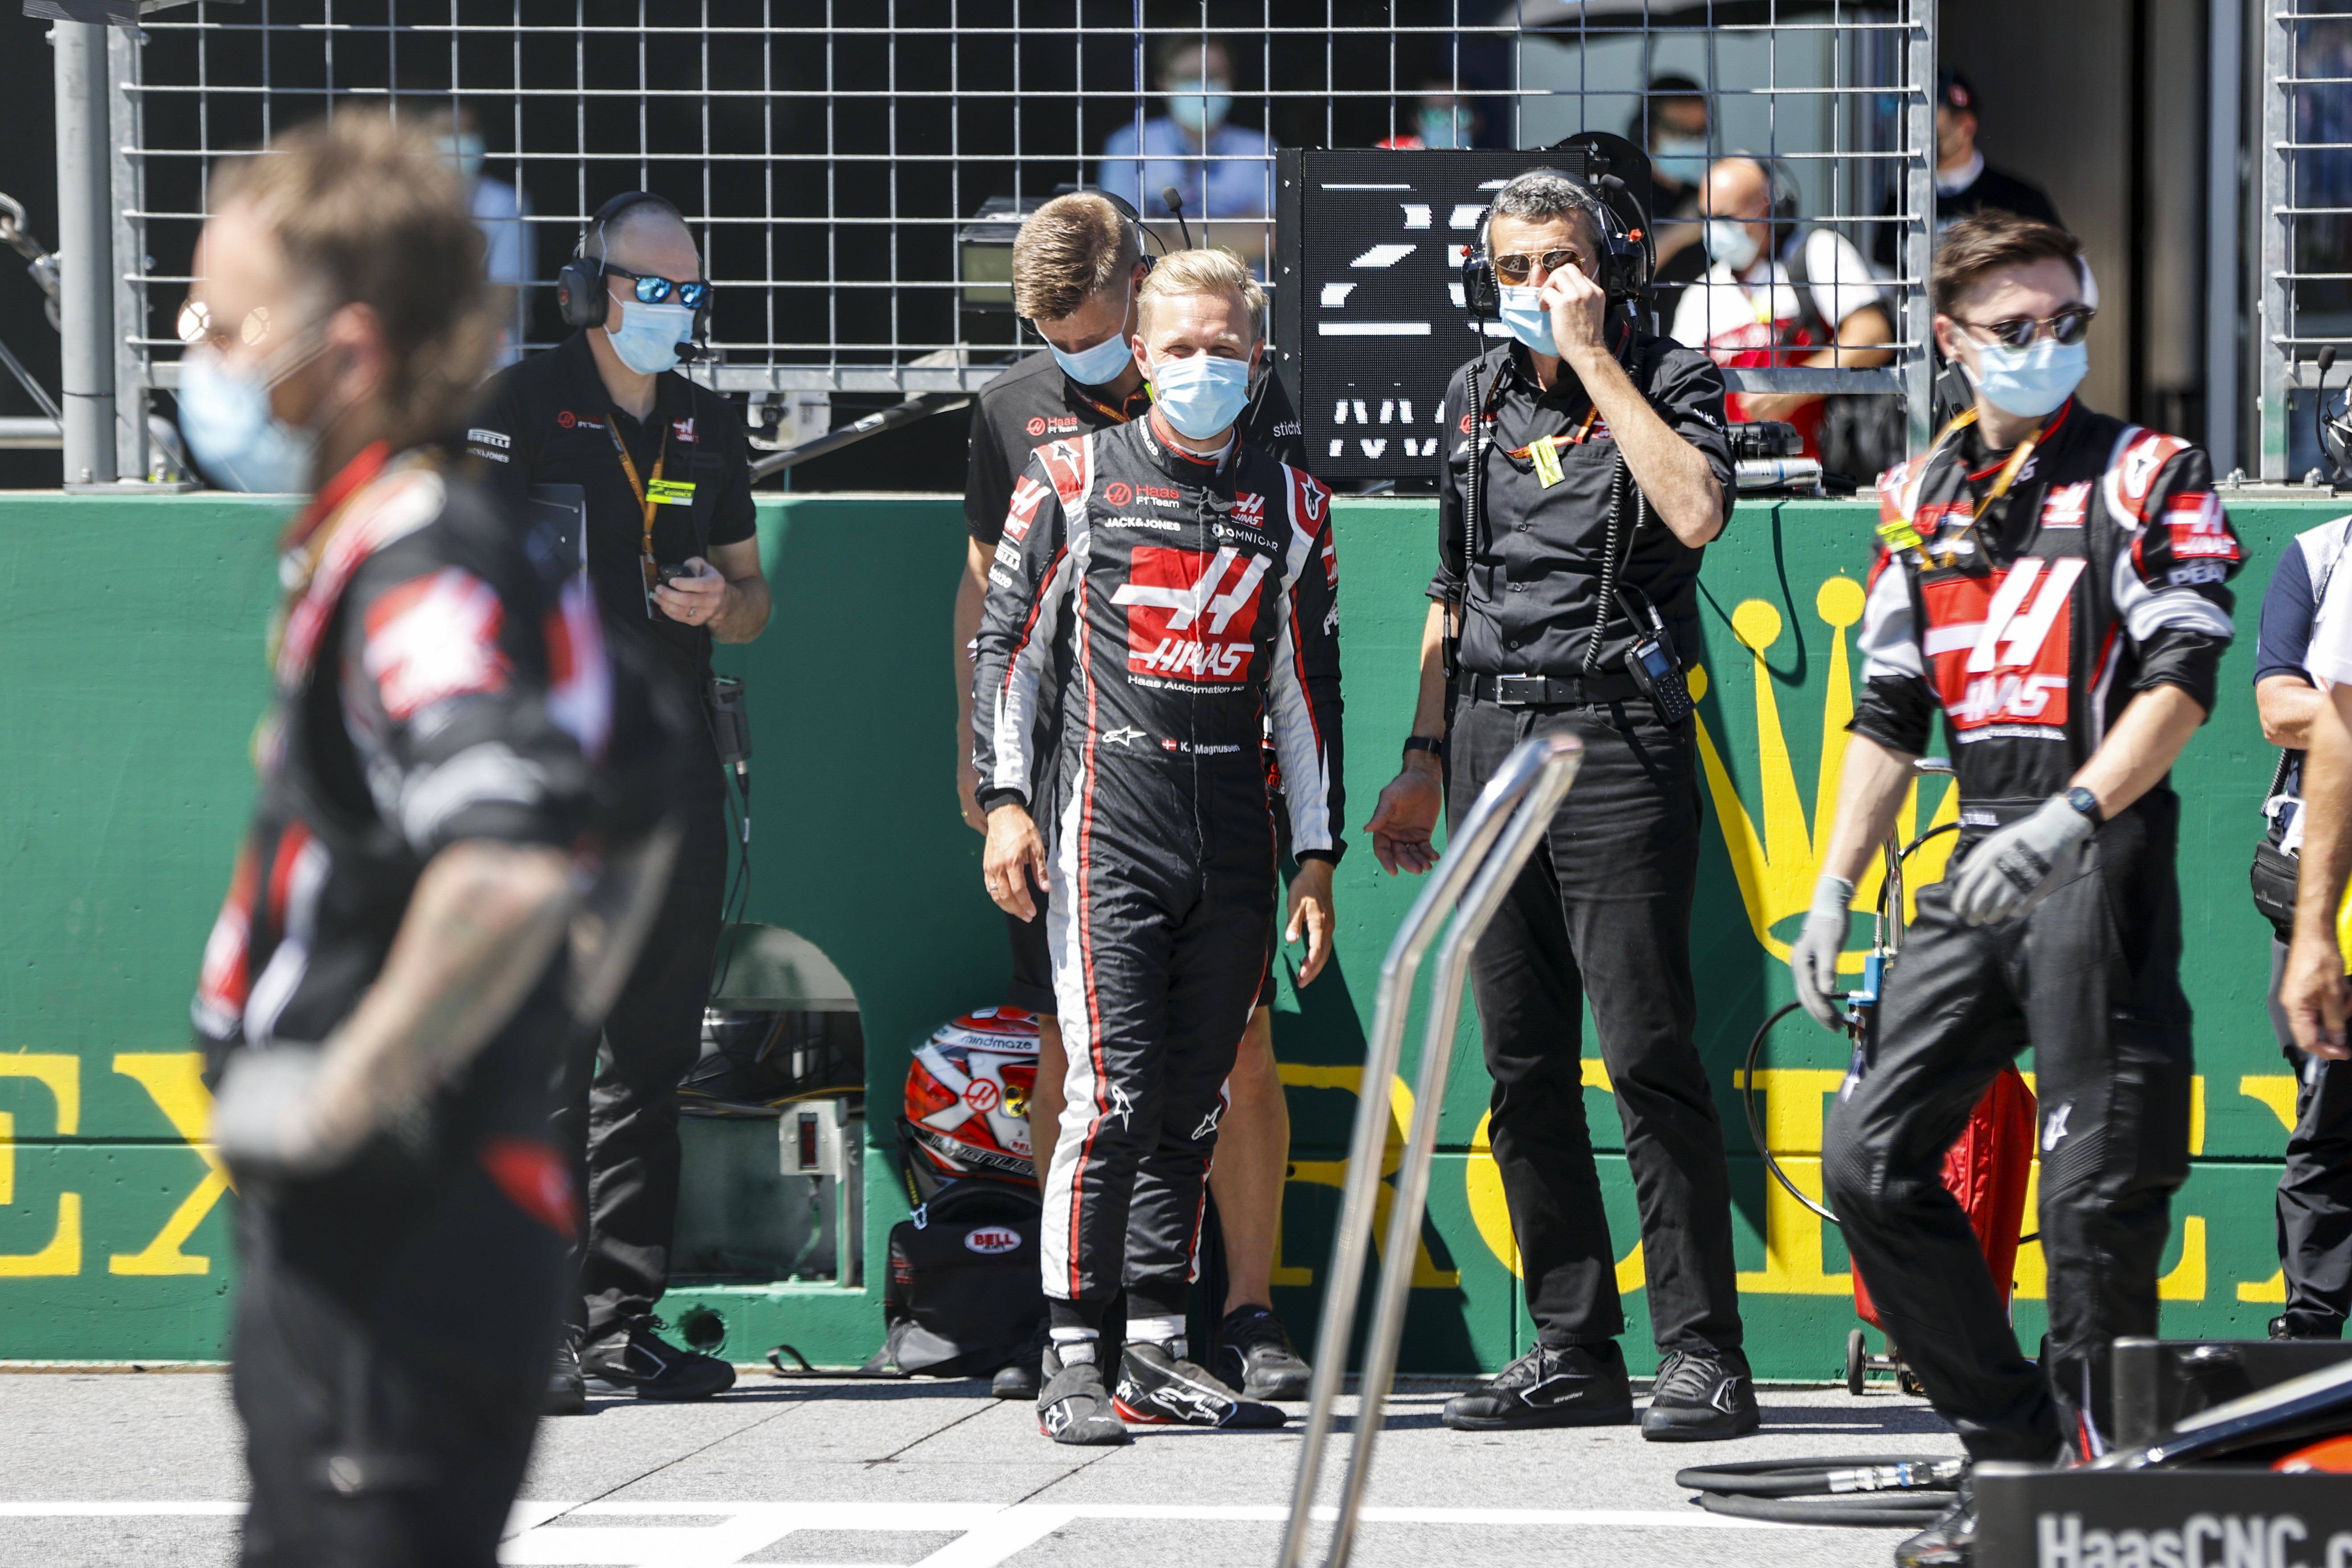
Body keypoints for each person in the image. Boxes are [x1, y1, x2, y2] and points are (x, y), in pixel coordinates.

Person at [181, 111, 601, 1566]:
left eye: (225, 322)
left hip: (398, 1240)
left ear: (344, 344)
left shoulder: (415, 554)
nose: (202, 351)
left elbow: (508, 857)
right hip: (378, 1240)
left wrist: (339, 1094)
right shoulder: (400, 536)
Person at [1795, 212, 2241, 1568]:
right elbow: (1884, 708)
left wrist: (2071, 816)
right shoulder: (1915, 496)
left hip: (2094, 847)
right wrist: (1831, 886)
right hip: (1971, 851)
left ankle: (2090, 1504)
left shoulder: (2148, 471)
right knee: (1866, 1157)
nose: (2047, 346)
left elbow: (2183, 684)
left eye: (2067, 322)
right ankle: (2011, 1450)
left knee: (2092, 1198)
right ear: (1948, 341)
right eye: (2015, 327)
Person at [1360, 168, 1756, 1442]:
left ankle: (1701, 1350)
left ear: (1613, 265)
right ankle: (1572, 1342)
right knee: (1519, 1059)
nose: (1534, 289)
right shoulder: (1469, 394)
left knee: (1644, 1050)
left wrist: (1592, 360)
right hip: (1484, 732)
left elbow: (1693, 511)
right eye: (1511, 269)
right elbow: (1447, 580)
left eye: (1559, 262)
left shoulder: (1670, 376)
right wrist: (1421, 747)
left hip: (1614, 728)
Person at [970, 247, 1345, 1445]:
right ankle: (1070, 1344)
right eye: (1176, 347)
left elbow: (1305, 690)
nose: (1199, 366)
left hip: (1234, 829)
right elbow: (1006, 651)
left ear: (1256, 359)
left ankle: (1155, 1345)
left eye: (1221, 349)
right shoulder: (1068, 474)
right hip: (1106, 818)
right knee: (1109, 1093)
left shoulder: (1290, 501)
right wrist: (1006, 800)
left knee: (1191, 1102)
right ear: (1139, 353)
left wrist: (1316, 856)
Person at [464, 189, 771, 1406]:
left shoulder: (706, 419)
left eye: (690, 290)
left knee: (649, 1056)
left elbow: (754, 595)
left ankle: (614, 1317)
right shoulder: (516, 406)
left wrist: (720, 605)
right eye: (653, 287)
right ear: (590, 287)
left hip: (674, 768)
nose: (673, 310)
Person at [2253, 514, 2352, 1341]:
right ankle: (2312, 1323)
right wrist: (2335, 723)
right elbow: (2278, 707)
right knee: (2326, 1111)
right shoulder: (2318, 555)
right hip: (2321, 867)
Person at [1671, 156, 1894, 460]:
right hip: (1728, 474)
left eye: (1726, 217)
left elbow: (1872, 335)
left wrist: (1796, 387)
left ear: (1770, 206)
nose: (1715, 230)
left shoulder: (1816, 253)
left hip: (1821, 469)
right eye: (1706, 218)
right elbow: (1680, 386)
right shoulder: (1700, 294)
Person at [1097, 36, 1273, 268]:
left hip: (1241, 296)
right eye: (1190, 78)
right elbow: (1120, 234)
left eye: (1213, 76)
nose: (1203, 87)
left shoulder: (1260, 148)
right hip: (1152, 294)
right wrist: (1233, 233)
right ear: (1164, 83)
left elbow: (1272, 236)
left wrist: (1165, 227)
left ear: (1231, 80)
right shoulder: (1130, 144)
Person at [1872, 70, 2065, 272]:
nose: (1916, 130)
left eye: (1929, 120)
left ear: (1966, 129)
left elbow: (2071, 275)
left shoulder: (2020, 202)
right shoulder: (1901, 204)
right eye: (1911, 117)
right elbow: (1884, 280)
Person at [427, 105, 533, 364]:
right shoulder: (410, 204)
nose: (456, 142)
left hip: (491, 358)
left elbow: (508, 294)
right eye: (445, 132)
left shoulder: (505, 202)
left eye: (466, 132)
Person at [1632, 74, 1712, 325]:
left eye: (1699, 132)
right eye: (1681, 132)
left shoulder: (1705, 194)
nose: (1693, 142)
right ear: (1648, 132)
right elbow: (1618, 276)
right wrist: (1680, 233)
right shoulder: (1625, 195)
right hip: (1645, 339)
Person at [1375, 82, 1481, 149]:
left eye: (1460, 115)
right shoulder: (1390, 150)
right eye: (1434, 116)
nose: (1447, 125)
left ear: (1478, 121)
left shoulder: (1488, 162)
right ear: (1415, 120)